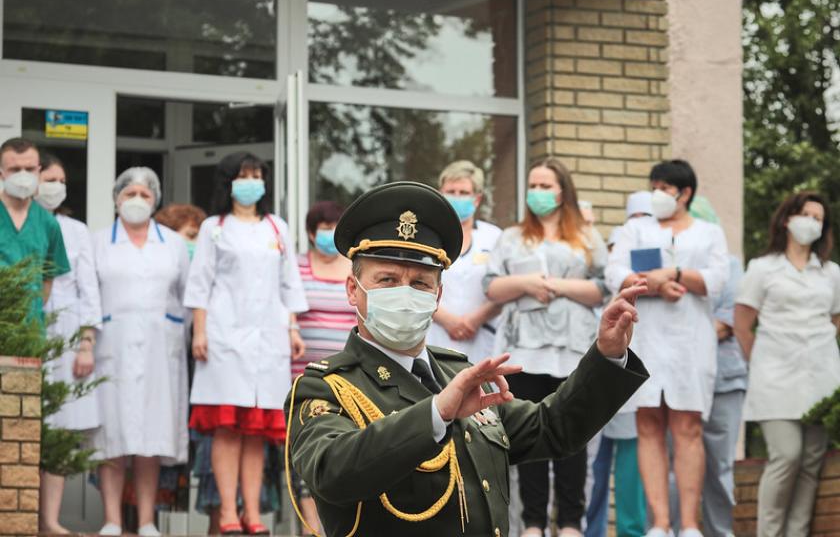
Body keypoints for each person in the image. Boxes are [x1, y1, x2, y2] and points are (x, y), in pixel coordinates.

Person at [284, 181, 649, 537]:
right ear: (353, 290)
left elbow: (552, 427)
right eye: (387, 280)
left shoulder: (455, 372)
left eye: (420, 283)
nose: (404, 294)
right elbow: (332, 472)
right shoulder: (325, 387)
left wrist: (607, 356)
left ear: (437, 295)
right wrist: (435, 414)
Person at [484, 158, 608, 537]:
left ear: (562, 191)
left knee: (572, 438)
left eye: (545, 186)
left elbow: (603, 288)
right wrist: (525, 284)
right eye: (533, 185)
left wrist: (554, 286)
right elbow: (491, 287)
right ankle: (533, 524)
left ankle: (570, 524)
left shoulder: (586, 237)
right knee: (529, 435)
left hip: (572, 352)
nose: (536, 192)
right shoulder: (512, 237)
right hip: (524, 352)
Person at [185, 152, 308, 535]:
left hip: (269, 339)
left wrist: (293, 329)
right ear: (229, 182)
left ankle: (253, 514)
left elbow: (289, 283)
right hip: (223, 337)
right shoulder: (214, 227)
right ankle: (227, 512)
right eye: (244, 175)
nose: (251, 182)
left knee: (256, 431)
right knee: (227, 428)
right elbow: (200, 283)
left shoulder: (276, 227)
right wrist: (199, 332)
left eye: (257, 175)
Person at [605, 160, 729, 537]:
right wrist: (655, 285)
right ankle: (660, 523)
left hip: (690, 342)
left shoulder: (709, 233)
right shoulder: (635, 229)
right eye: (654, 186)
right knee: (648, 423)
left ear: (685, 193)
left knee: (687, 426)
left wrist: (675, 274)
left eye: (665, 188)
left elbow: (716, 280)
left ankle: (689, 523)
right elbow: (614, 272)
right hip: (646, 337)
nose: (657, 194)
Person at [733, 191, 840, 537]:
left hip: (822, 376)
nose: (811, 222)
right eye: (806, 214)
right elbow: (742, 324)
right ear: (786, 219)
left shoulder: (831, 273)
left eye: (818, 218)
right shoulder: (763, 268)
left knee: (811, 462)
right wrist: (762, 359)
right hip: (774, 378)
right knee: (787, 455)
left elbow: (836, 319)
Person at [91, 167, 190, 537]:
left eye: (144, 195)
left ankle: (146, 521)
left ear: (155, 200)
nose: (136, 200)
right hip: (111, 347)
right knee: (112, 435)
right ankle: (112, 520)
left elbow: (187, 297)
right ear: (116, 199)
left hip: (160, 351)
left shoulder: (173, 244)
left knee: (151, 436)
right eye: (129, 194)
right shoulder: (98, 242)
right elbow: (89, 294)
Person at [667, 196, 747, 537]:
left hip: (724, 380)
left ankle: (719, 532)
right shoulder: (666, 268)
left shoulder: (730, 265)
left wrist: (681, 335)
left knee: (719, 465)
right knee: (673, 465)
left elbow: (728, 320)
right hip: (676, 378)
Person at [35, 152, 102, 535]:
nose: (57, 187)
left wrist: (86, 343)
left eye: (62, 181)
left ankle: (50, 520)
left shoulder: (76, 231)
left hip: (68, 338)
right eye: (50, 179)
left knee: (58, 431)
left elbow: (88, 289)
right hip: (28, 333)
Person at [585, 191, 653, 537]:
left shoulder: (650, 275)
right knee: (593, 470)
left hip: (632, 386)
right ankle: (591, 531)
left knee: (630, 470)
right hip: (596, 381)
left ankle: (631, 532)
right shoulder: (604, 269)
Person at [289, 200, 356, 534]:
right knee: (305, 452)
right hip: (303, 379)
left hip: (349, 380)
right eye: (323, 228)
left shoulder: (355, 269)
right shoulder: (295, 267)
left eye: (335, 228)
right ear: (311, 233)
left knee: (343, 452)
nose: (329, 235)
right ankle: (312, 529)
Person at [427, 160, 502, 363]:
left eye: (463, 192)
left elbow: (504, 289)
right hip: (435, 335)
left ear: (477, 199)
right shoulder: (427, 236)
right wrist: (447, 320)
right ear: (441, 195)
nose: (457, 197)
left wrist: (474, 320)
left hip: (482, 338)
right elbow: (415, 285)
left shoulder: (494, 237)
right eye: (451, 192)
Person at [0, 138, 70, 319]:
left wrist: (28, 316)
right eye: (15, 169)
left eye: (29, 169)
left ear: (38, 171)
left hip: (31, 329)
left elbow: (47, 281)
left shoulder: (48, 224)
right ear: (1, 173)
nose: (23, 175)